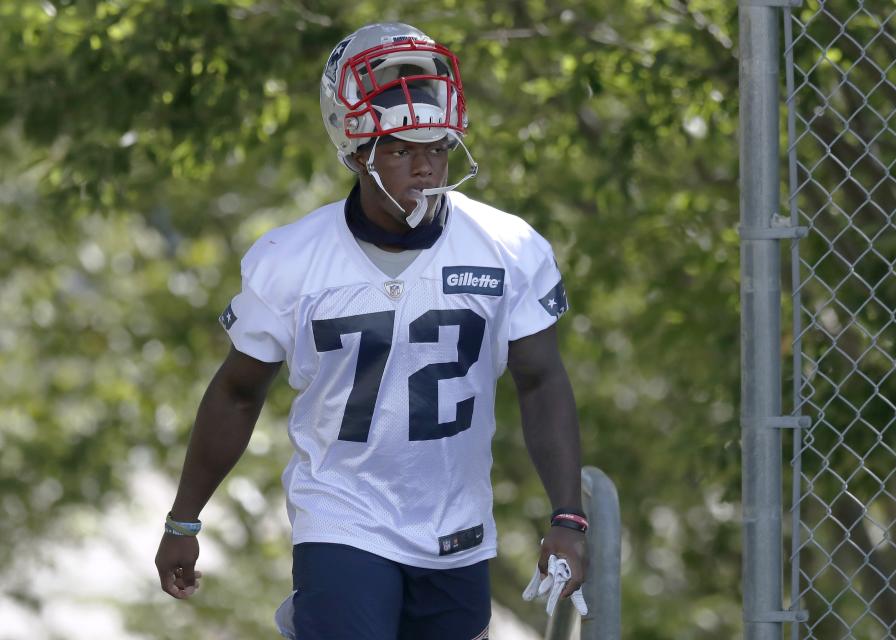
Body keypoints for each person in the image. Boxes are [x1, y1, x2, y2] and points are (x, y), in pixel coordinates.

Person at [154, 22, 587, 640]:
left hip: (456, 525)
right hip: (342, 515)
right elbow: (237, 392)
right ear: (357, 150)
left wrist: (568, 515)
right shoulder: (290, 258)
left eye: (436, 146)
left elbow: (541, 381)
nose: (425, 166)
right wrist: (184, 522)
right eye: (401, 149)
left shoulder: (508, 245)